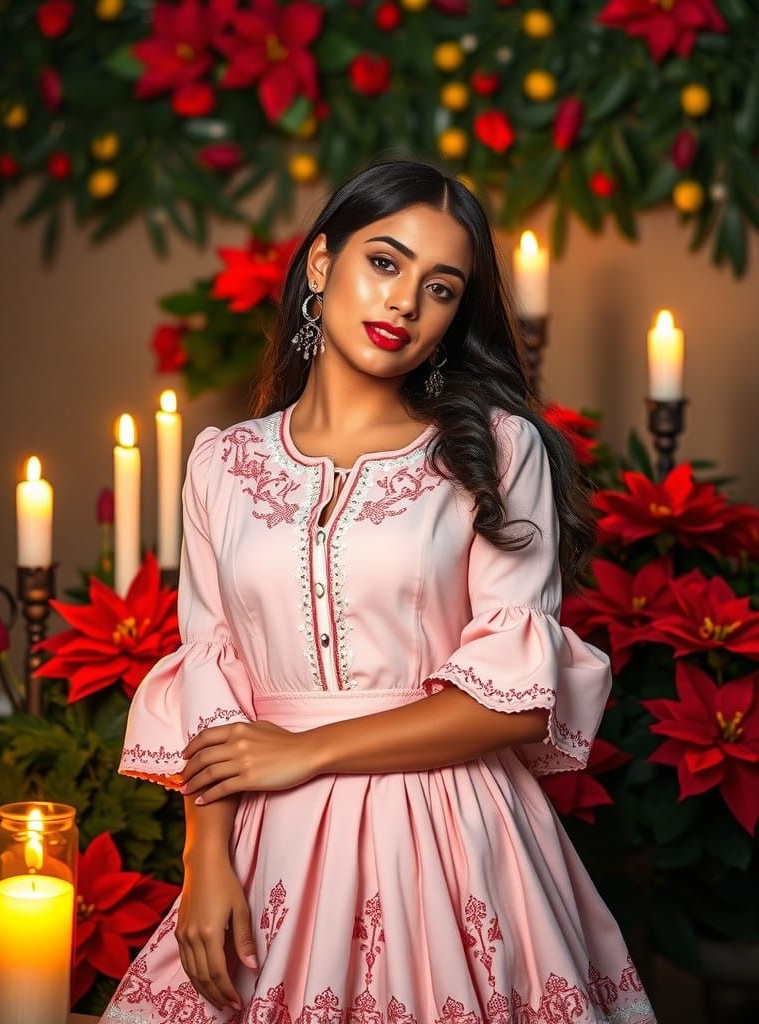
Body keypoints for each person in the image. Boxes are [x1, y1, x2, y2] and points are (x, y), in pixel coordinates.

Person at [100, 158, 658, 1024]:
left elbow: (514, 703)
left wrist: (307, 750)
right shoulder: (222, 464)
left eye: (440, 288)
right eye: (385, 262)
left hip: (450, 833)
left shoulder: (498, 452)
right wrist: (205, 860)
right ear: (323, 263)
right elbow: (211, 672)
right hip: (266, 839)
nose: (403, 303)